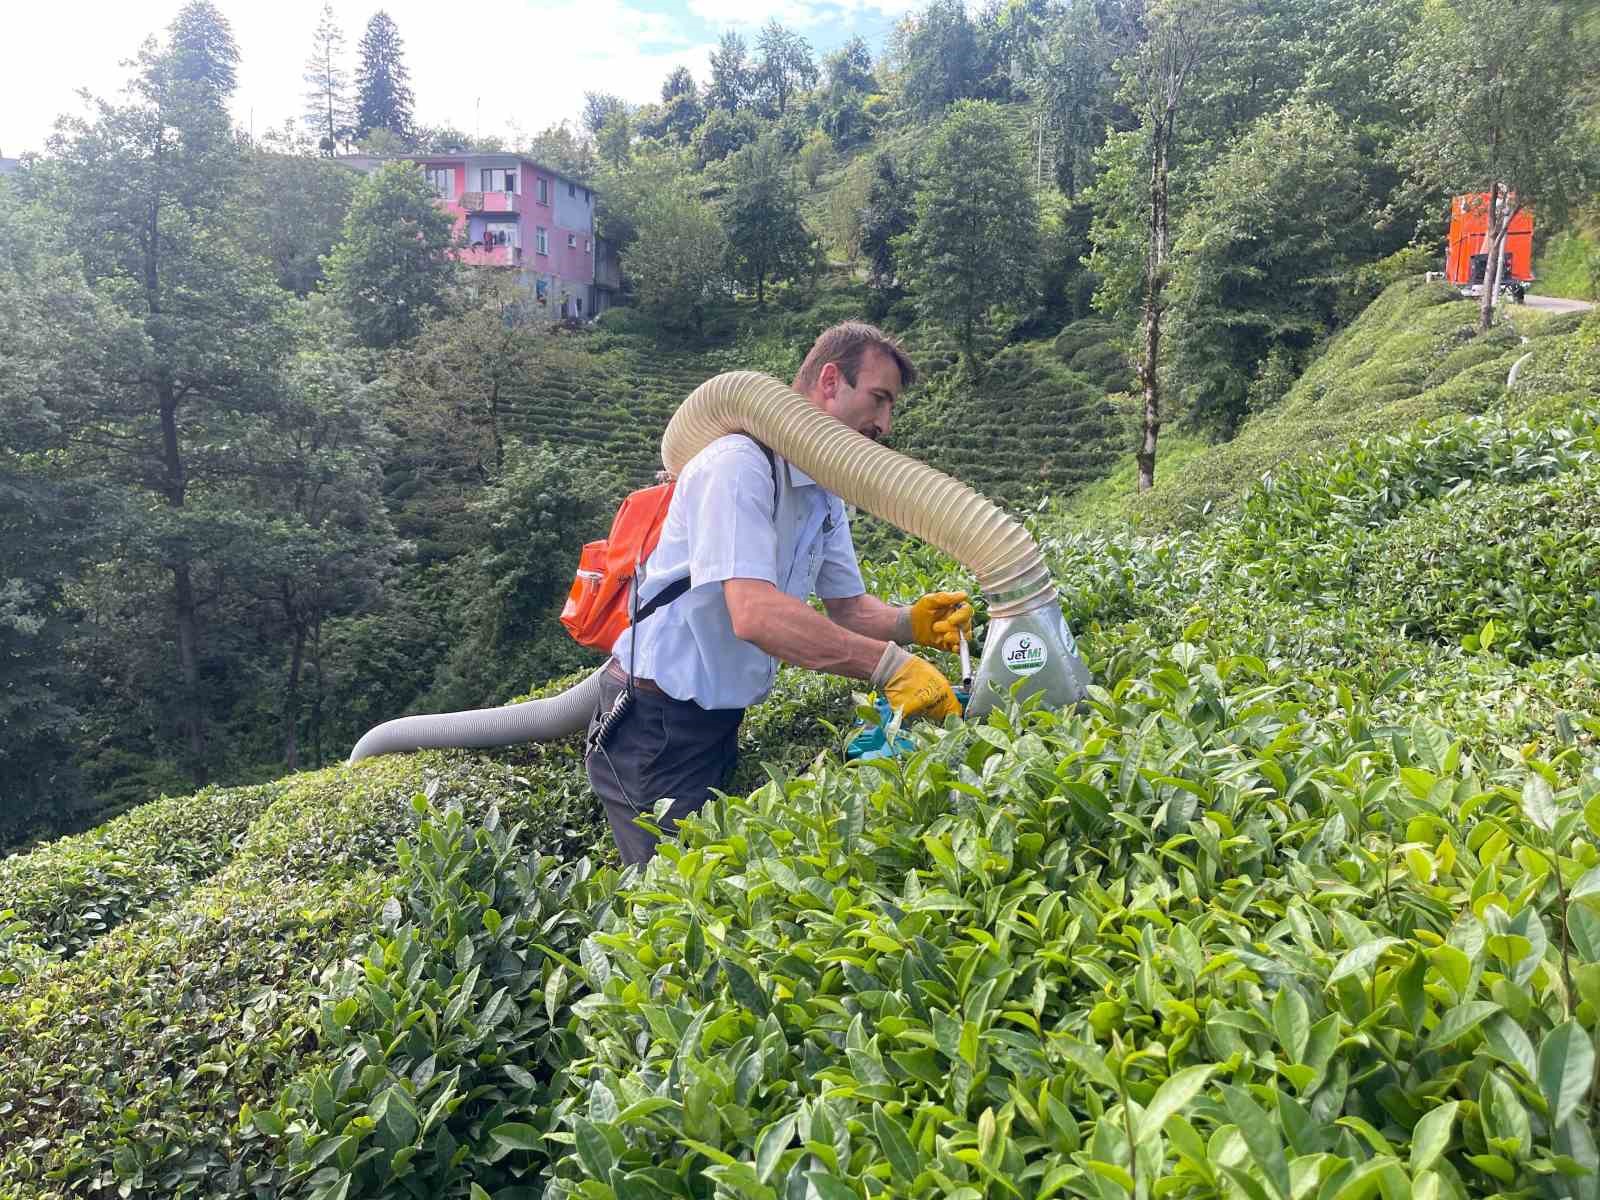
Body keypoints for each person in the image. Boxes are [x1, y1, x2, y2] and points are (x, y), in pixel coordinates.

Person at [585, 321, 973, 866]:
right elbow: (756, 615)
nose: (884, 424)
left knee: (719, 889)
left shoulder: (824, 487)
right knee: (677, 909)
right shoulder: (737, 465)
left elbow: (849, 607)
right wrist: (891, 667)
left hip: (717, 719)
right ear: (831, 381)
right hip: (656, 729)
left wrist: (913, 623)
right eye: (879, 399)